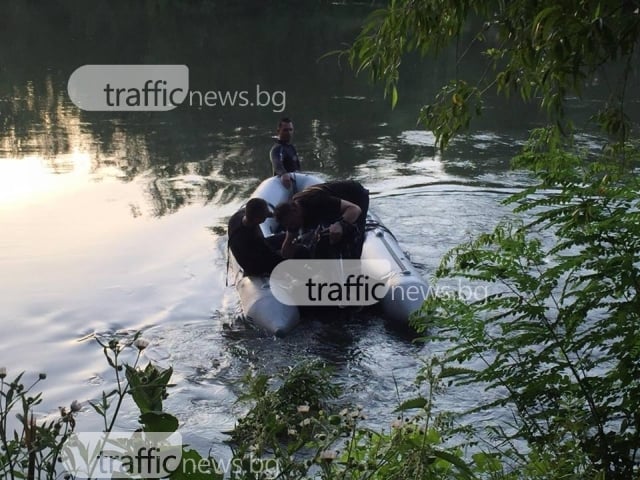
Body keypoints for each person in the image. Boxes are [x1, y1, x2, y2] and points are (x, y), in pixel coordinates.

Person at [273, 180, 370, 259]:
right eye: (289, 226)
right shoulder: (293, 215)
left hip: (355, 196)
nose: (293, 227)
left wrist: (340, 224)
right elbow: (288, 244)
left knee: (353, 236)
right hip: (331, 205)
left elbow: (355, 209)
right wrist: (287, 246)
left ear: (295, 211)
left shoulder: (316, 201)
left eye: (292, 223)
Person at [227, 198, 283, 276]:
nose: (266, 217)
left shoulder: (237, 217)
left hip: (258, 249)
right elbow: (273, 258)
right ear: (258, 219)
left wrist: (275, 215)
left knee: (283, 237)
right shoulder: (252, 240)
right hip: (255, 265)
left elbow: (261, 213)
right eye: (265, 216)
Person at [270, 117, 301, 189]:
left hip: (296, 181)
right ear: (278, 131)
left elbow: (298, 167)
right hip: (282, 184)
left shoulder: (291, 147)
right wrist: (284, 174)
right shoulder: (277, 149)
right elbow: (277, 164)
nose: (289, 132)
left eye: (290, 130)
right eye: (285, 130)